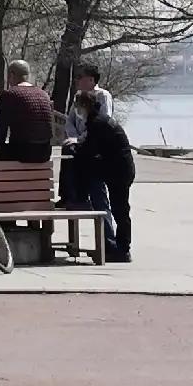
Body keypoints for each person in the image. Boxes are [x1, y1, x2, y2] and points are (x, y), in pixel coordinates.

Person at [67, 92, 135, 262]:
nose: (77, 110)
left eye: (78, 106)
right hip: (118, 167)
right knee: (120, 209)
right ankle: (118, 247)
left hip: (119, 170)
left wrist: (76, 148)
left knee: (120, 210)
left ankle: (123, 250)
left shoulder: (97, 123)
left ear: (85, 106)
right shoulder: (99, 119)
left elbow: (90, 149)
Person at [59, 63, 115, 203]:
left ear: (91, 79)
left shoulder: (102, 95)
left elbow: (102, 123)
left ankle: (83, 197)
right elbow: (70, 120)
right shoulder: (78, 95)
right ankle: (67, 196)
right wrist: (73, 137)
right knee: (67, 150)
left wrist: (81, 139)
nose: (77, 80)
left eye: (80, 77)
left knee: (86, 159)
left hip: (93, 141)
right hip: (77, 139)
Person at [0, 61, 56, 164]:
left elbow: (1, 129)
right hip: (44, 153)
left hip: (22, 152)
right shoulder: (44, 94)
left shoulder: (10, 94)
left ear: (11, 75)